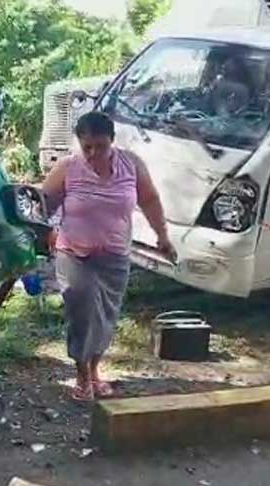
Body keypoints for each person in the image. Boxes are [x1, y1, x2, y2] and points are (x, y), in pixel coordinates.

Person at [42, 112, 175, 402]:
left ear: (112, 141)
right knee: (82, 312)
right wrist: (46, 234)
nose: (93, 153)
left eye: (100, 146)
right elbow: (42, 207)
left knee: (105, 317)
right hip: (74, 254)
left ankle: (94, 371)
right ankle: (81, 375)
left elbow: (150, 200)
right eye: (86, 146)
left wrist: (162, 236)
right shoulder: (67, 168)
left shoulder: (132, 165)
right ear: (79, 143)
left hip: (114, 257)